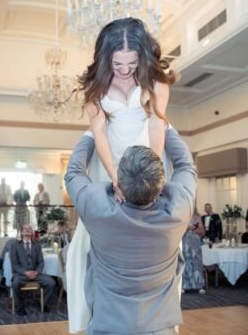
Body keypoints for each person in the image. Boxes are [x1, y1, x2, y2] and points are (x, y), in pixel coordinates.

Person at [67, 17, 177, 333]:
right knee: (92, 244)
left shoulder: (158, 80)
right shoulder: (96, 87)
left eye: (133, 62)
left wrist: (151, 174)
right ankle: (97, 317)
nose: (126, 70)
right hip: (111, 158)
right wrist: (116, 176)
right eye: (118, 63)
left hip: (147, 151)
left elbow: (157, 123)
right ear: (106, 58)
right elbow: (99, 133)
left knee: (158, 240)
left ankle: (156, 314)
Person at [65, 125, 197, 335]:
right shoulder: (179, 210)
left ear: (118, 180)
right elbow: (185, 166)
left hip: (107, 327)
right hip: (160, 329)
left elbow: (73, 172)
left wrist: (93, 132)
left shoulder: (96, 208)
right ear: (161, 184)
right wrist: (166, 127)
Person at [10, 224, 55, 316]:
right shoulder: (15, 246)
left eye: (29, 228)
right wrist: (25, 272)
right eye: (25, 228)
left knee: (51, 282)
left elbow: (41, 262)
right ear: (22, 232)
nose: (27, 230)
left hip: (36, 273)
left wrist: (37, 272)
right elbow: (14, 265)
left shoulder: (37, 245)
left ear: (31, 232)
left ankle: (44, 304)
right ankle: (20, 308)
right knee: (15, 284)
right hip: (21, 274)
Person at [182, 209, 206, 294]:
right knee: (186, 264)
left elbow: (203, 232)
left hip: (196, 243)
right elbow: (177, 232)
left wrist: (197, 230)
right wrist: (187, 228)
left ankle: (199, 286)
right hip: (185, 244)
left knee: (197, 264)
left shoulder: (198, 216)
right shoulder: (182, 215)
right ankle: (184, 286)